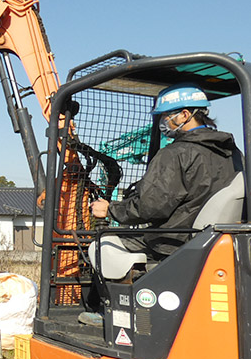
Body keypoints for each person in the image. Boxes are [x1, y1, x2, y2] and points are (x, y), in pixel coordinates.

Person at [90, 82, 242, 259]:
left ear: (185, 115)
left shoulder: (175, 154)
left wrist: (110, 210)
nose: (164, 122)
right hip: (217, 241)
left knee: (100, 246)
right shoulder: (233, 153)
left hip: (172, 243)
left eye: (166, 116)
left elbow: (150, 207)